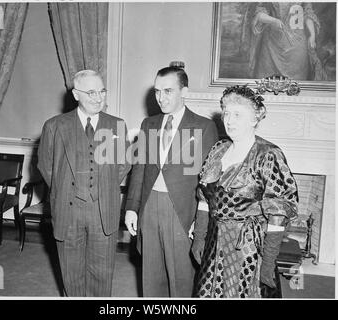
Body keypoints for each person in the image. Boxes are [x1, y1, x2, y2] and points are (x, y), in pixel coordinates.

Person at [192, 85, 298, 298]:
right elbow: (204, 198)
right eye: (226, 113)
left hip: (247, 247)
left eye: (237, 115)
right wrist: (199, 238)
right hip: (215, 242)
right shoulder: (218, 150)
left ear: (254, 119)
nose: (229, 120)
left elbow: (278, 211)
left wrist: (268, 262)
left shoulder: (268, 154)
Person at [124, 66, 218, 297]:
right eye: (157, 91)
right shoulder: (149, 124)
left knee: (182, 279)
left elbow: (209, 181)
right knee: (151, 276)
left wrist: (202, 220)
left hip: (182, 210)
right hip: (149, 207)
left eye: (168, 91)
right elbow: (140, 170)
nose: (160, 98)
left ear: (184, 91)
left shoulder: (204, 127)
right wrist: (131, 208)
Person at [37, 70, 131, 297]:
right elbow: (46, 166)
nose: (98, 98)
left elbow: (123, 164)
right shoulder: (55, 126)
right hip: (69, 212)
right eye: (90, 92)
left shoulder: (116, 125)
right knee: (72, 275)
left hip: (103, 212)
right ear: (76, 94)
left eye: (102, 91)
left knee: (102, 276)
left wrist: (103, 187)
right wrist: (68, 189)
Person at [243, 2, 323, 80]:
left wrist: (312, 35)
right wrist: (273, 20)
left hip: (296, 46)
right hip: (271, 45)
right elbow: (258, 14)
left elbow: (308, 14)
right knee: (264, 83)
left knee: (297, 86)